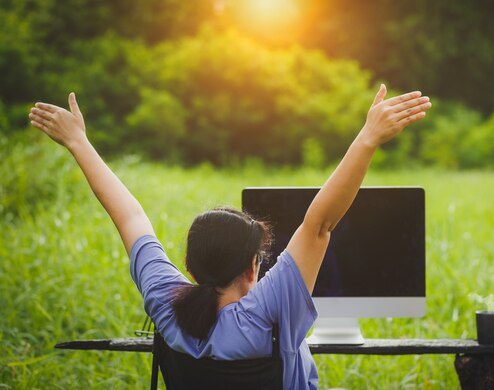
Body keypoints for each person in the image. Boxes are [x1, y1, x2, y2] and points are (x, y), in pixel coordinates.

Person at [29, 85, 431, 389]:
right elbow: (320, 224)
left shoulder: (167, 306)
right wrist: (367, 138)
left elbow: (130, 217)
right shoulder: (268, 315)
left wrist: (78, 142)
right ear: (254, 267)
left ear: (188, 266)